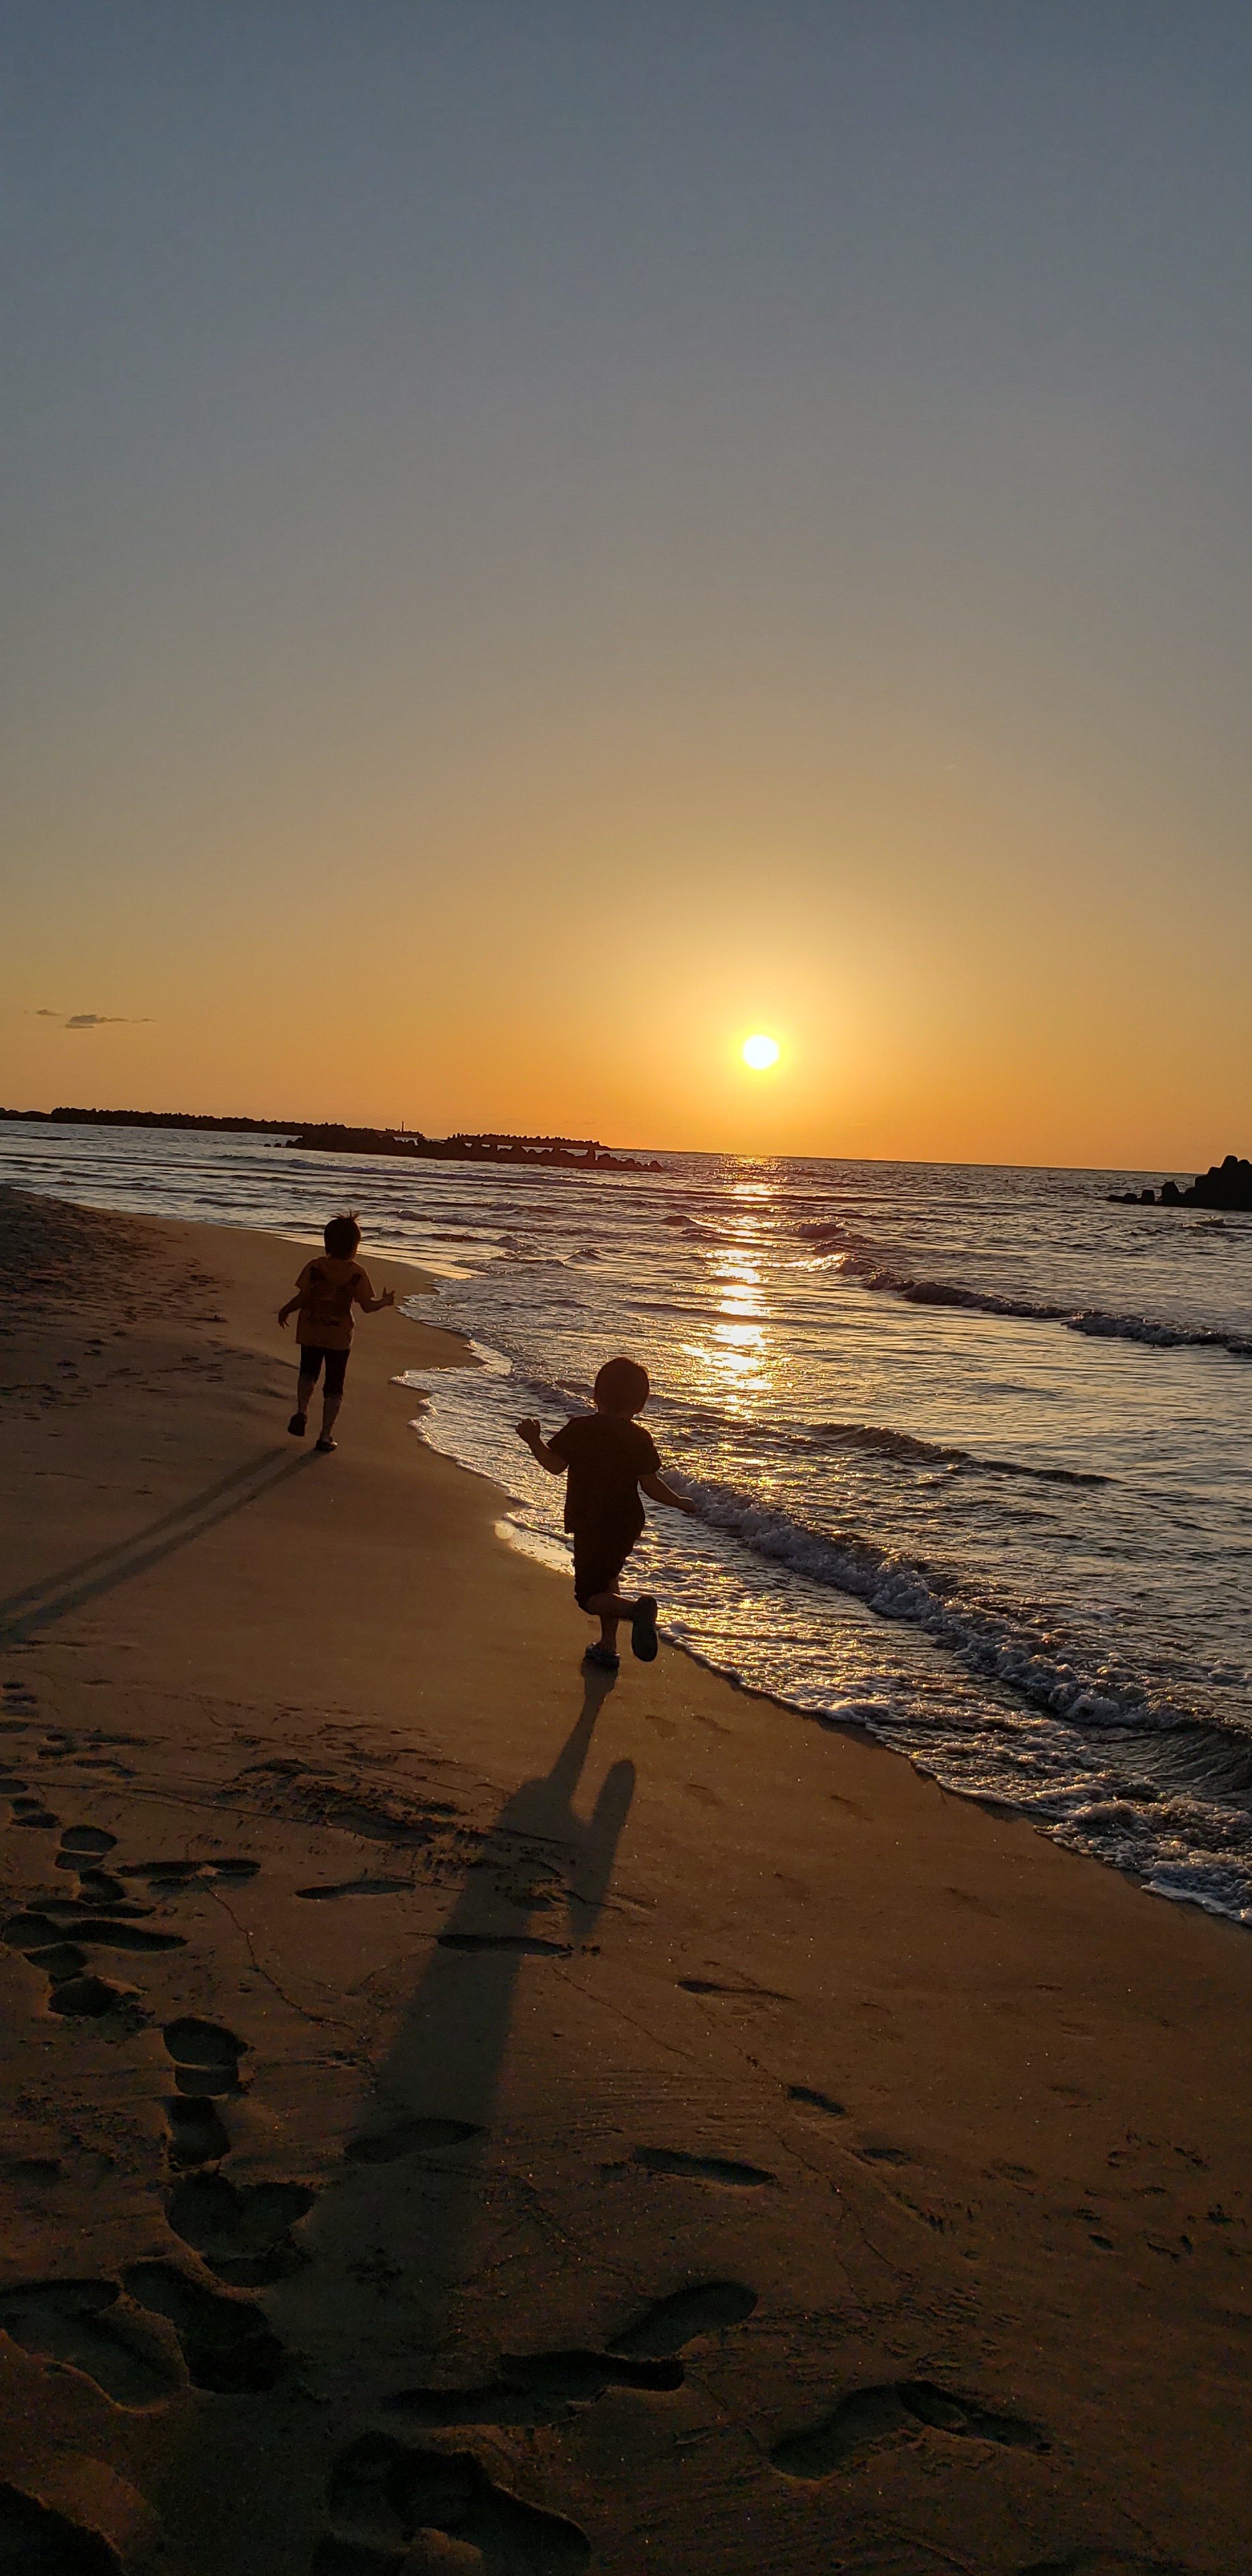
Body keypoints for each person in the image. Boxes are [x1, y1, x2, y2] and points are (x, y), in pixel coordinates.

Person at [516, 1355, 697, 1669]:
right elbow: (650, 1485)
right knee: (608, 1579)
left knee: (588, 1596)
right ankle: (607, 1646)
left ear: (596, 1395)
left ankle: (635, 1611)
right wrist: (680, 1501)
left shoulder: (580, 1429)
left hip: (592, 1520)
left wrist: (534, 1441)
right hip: (627, 1522)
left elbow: (555, 1465)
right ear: (640, 1405)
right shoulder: (639, 1437)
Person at [277, 1213, 395, 1452]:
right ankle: (324, 1435)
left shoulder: (316, 1266)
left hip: (311, 1329)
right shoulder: (357, 1273)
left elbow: (304, 1296)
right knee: (334, 1386)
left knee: (308, 1373)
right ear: (355, 1246)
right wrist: (386, 1301)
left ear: (327, 1242)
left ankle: (301, 1412)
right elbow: (368, 1307)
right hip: (339, 1337)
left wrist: (286, 1310)